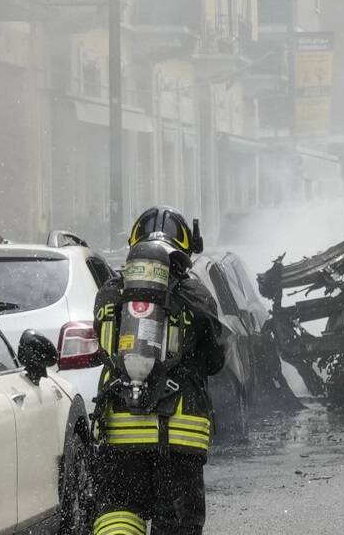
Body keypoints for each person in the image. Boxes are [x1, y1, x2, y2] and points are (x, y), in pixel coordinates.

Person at [91, 207, 226, 535]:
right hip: (181, 434)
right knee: (177, 524)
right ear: (183, 250)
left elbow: (104, 347)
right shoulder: (194, 294)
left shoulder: (111, 293)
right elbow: (214, 360)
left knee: (119, 514)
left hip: (120, 431)